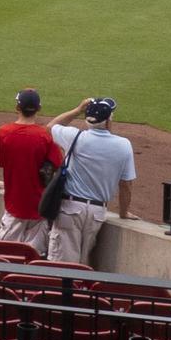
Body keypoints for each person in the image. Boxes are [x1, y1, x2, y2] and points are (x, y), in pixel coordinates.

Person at [45, 97, 139, 265]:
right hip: (97, 213)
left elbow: (50, 127)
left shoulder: (75, 136)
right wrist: (123, 212)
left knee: (60, 266)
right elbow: (126, 184)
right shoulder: (124, 145)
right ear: (108, 121)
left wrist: (77, 109)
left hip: (70, 209)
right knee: (82, 265)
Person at [0, 88, 67, 248]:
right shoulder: (45, 136)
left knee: (4, 258)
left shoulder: (3, 133)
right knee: (33, 263)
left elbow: (4, 163)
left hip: (14, 206)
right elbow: (58, 164)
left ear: (17, 108)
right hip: (39, 209)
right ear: (38, 108)